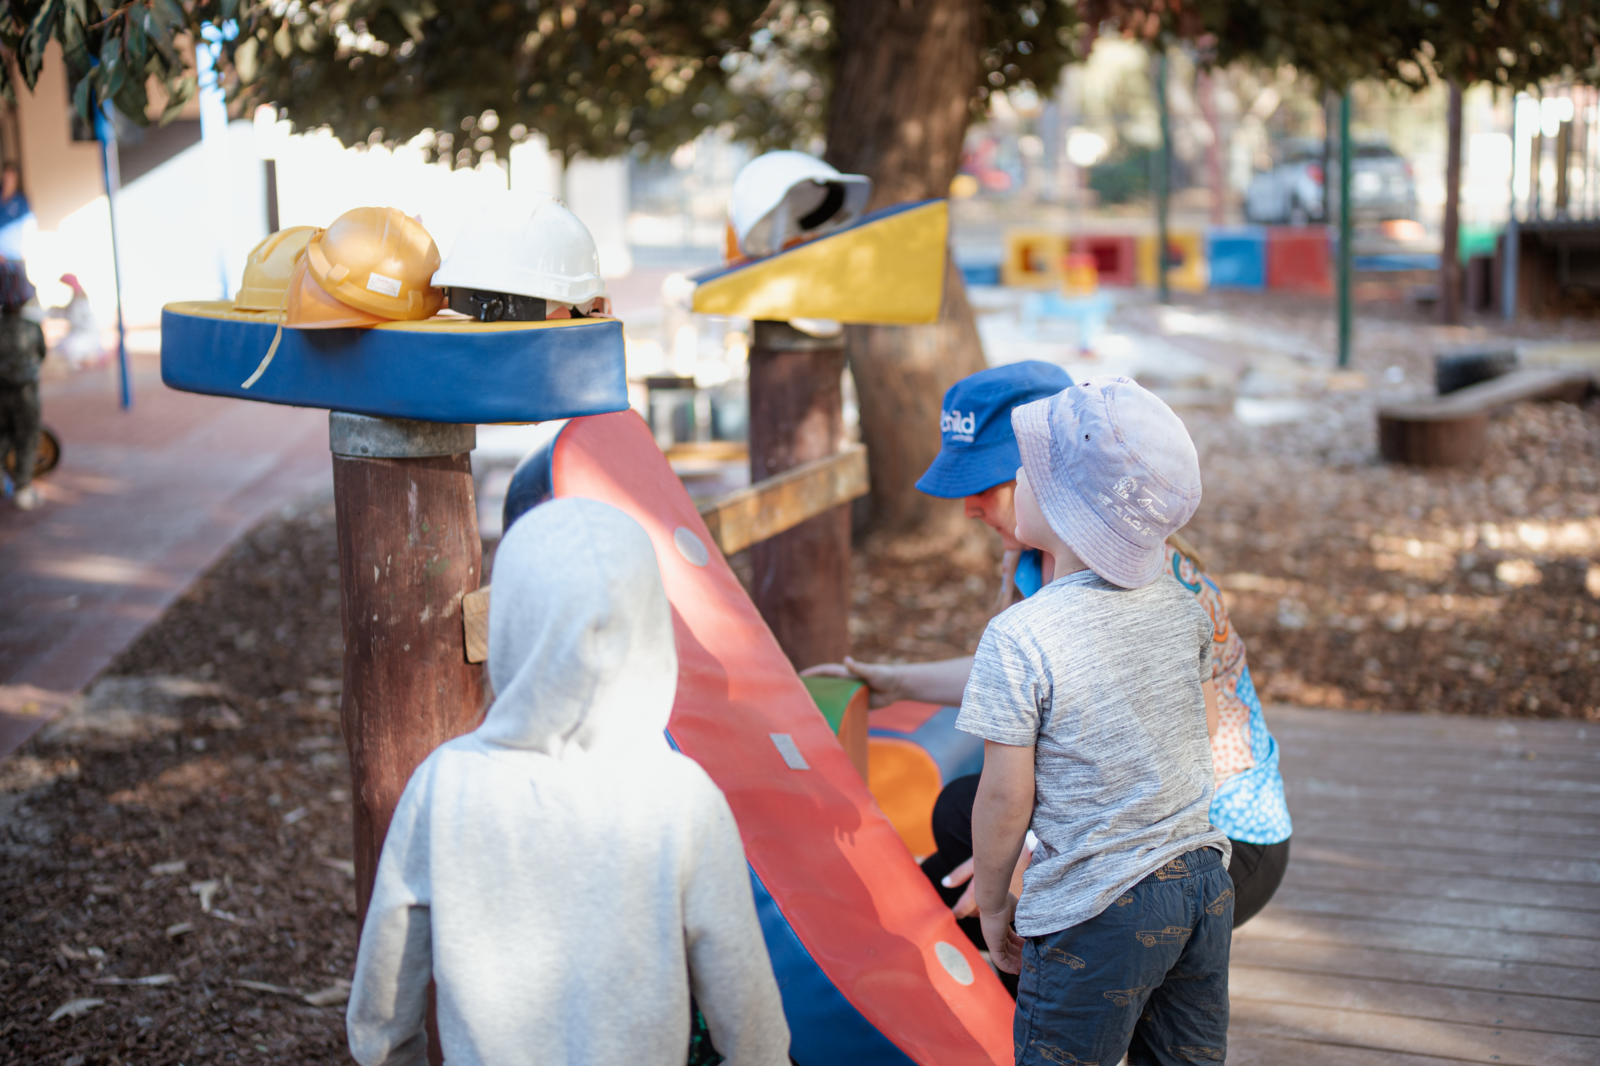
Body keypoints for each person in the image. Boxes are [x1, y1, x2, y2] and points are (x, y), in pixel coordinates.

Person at [806, 361, 1291, 943]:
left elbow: (1164, 755)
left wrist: (1034, 850)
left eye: (984, 487)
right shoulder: (1037, 559)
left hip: (1214, 839)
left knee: (983, 852)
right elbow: (1029, 681)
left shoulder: (1147, 582)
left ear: (1050, 475)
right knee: (956, 837)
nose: (968, 509)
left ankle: (1044, 993)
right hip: (1126, 817)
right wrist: (897, 682)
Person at [346, 498, 791, 1066]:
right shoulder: (682, 797)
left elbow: (382, 1012)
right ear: (651, 626)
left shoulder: (444, 785)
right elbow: (748, 1018)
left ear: (510, 622)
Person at [963, 376, 1231, 1065]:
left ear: (1064, 502)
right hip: (1201, 884)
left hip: (1095, 911)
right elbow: (1202, 728)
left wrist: (993, 902)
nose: (1016, 479)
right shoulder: (1184, 609)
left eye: (1028, 468)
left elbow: (1005, 796)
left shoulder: (1022, 634)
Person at [0, 260, 46, 511]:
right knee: (26, 438)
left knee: (2, 435)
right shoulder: (32, 328)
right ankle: (23, 489)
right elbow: (41, 354)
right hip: (26, 394)